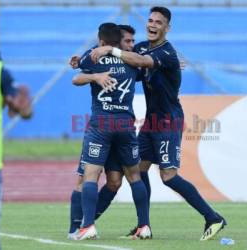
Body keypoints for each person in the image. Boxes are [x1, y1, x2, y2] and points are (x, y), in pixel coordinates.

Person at [90, 6, 226, 241]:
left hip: (168, 121)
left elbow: (138, 59)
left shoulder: (166, 53)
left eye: (158, 22)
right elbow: (128, 58)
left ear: (167, 28)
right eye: (150, 20)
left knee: (169, 176)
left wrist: (110, 49)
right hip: (150, 121)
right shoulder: (142, 46)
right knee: (137, 170)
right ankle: (143, 227)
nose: (152, 25)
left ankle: (213, 217)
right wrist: (86, 60)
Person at [71, 23, 151, 240]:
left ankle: (87, 226)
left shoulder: (94, 57)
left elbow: (76, 77)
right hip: (125, 125)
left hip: (102, 124)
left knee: (91, 174)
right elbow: (145, 62)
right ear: (120, 41)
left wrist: (87, 70)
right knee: (134, 176)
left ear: (102, 42)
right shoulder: (132, 61)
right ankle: (144, 226)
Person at [0, 42, 32, 250]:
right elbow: (23, 111)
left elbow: (21, 109)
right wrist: (23, 107)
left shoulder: (0, 73)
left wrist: (22, 106)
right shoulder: (0, 71)